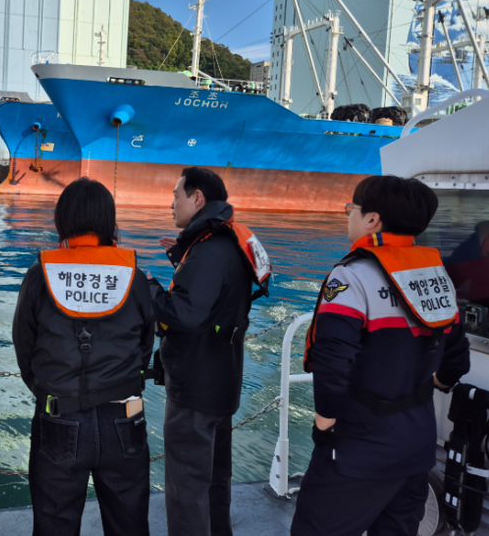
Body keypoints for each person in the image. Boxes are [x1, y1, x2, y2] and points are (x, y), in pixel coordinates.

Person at [292, 175, 470, 536]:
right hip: (416, 446)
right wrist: (429, 383)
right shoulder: (436, 276)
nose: (348, 216)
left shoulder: (352, 276)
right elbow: (457, 362)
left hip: (359, 449)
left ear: (372, 220)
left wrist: (326, 425)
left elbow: (330, 359)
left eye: (351, 209)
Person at [12, 177, 156, 536]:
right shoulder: (133, 278)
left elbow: (24, 346)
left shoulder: (39, 275)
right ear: (109, 221)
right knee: (129, 524)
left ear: (63, 220)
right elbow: (145, 344)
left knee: (54, 524)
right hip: (125, 416)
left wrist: (50, 391)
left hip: (59, 416)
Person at [147, 167, 270, 536]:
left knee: (187, 491)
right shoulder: (227, 243)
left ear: (197, 198)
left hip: (194, 392)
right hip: (222, 382)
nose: (172, 204)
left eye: (176, 195)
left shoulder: (208, 251)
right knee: (215, 482)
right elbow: (215, 303)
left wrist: (148, 286)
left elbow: (182, 314)